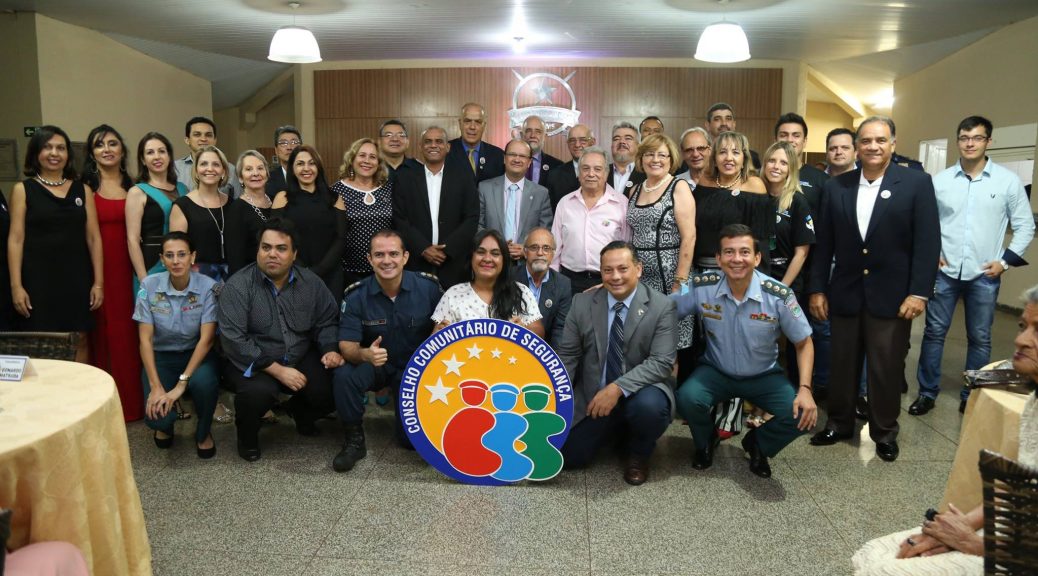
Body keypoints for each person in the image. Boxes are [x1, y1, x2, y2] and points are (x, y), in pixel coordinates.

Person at [851, 283, 1038, 575]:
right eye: (1023, 326)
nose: (1021, 340)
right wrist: (960, 527)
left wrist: (974, 544)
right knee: (875, 553)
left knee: (882, 571)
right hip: (1014, 532)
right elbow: (1023, 488)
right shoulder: (1033, 401)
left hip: (1022, 556)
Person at [808, 116, 941, 462]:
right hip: (846, 293)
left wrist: (919, 292)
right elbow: (824, 244)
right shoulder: (837, 187)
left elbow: (927, 243)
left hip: (894, 296)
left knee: (885, 367)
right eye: (866, 141)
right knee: (842, 364)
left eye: (881, 140)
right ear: (857, 146)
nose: (873, 146)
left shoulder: (916, 183)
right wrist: (817, 289)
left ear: (893, 144)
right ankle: (839, 423)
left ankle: (884, 431)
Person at [912, 116, 1035, 416]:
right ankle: (927, 393)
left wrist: (1004, 262)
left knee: (980, 337)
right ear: (958, 141)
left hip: (985, 274)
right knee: (934, 333)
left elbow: (1025, 226)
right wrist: (932, 254)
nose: (970, 143)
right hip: (945, 271)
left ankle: (973, 394)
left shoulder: (1007, 182)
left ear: (988, 141)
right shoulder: (940, 181)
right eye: (964, 137)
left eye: (977, 138)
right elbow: (925, 223)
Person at [673, 224, 817, 478]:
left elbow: (803, 342)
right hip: (716, 371)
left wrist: (805, 389)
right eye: (729, 252)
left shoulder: (779, 295)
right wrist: (623, 293)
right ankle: (706, 440)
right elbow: (665, 310)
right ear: (718, 258)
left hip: (763, 375)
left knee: (802, 413)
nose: (736, 259)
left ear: (757, 257)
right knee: (686, 398)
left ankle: (759, 444)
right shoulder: (702, 286)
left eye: (744, 252)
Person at [218, 218, 345, 462]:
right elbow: (234, 339)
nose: (272, 254)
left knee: (336, 384)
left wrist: (330, 349)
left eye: (281, 248)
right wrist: (277, 370)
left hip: (298, 354)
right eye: (266, 247)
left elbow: (327, 320)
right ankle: (247, 437)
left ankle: (300, 413)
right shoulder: (238, 286)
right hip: (254, 361)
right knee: (257, 393)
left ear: (294, 254)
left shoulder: (311, 283)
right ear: (258, 250)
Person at [555, 241, 676, 485]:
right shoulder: (582, 303)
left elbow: (662, 362)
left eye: (623, 268)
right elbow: (568, 355)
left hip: (642, 391)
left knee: (649, 409)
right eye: (608, 270)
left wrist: (617, 388)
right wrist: (557, 401)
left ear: (638, 269)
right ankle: (616, 432)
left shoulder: (662, 306)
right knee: (567, 456)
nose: (616, 276)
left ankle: (639, 453)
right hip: (594, 395)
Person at [331, 230, 442, 471]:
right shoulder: (356, 295)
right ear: (370, 259)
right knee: (345, 375)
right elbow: (347, 345)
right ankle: (354, 441)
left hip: (415, 372)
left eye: (393, 253)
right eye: (379, 255)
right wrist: (364, 354)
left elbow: (444, 329)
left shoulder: (429, 288)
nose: (387, 260)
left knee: (409, 443)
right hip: (377, 366)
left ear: (405, 257)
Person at [691, 130, 772, 438]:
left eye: (735, 152)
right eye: (723, 152)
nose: (728, 158)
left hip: (737, 275)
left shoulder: (755, 186)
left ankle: (729, 418)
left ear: (744, 157)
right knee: (706, 343)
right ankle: (707, 407)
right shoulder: (704, 183)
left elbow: (761, 239)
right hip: (703, 274)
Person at [8, 125, 103, 363]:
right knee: (41, 341)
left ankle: (80, 387)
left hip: (76, 277)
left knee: (79, 338)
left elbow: (93, 238)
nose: (54, 153)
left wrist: (98, 283)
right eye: (47, 147)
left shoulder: (83, 190)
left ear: (68, 154)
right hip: (37, 280)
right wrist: (16, 286)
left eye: (61, 148)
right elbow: (16, 239)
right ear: (36, 153)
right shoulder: (23, 190)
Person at [133, 232, 219, 458]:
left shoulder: (208, 287)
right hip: (162, 357)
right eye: (169, 255)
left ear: (192, 257)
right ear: (162, 259)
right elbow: (145, 339)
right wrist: (155, 386)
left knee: (205, 384)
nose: (176, 261)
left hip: (196, 356)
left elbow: (207, 339)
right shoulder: (149, 285)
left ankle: (203, 432)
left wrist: (182, 384)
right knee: (157, 417)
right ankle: (166, 426)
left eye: (182, 254)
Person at [82, 124, 143, 421]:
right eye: (99, 144)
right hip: (101, 272)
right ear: (91, 153)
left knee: (134, 335)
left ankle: (137, 404)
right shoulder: (84, 189)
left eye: (112, 143)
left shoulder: (137, 186)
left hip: (133, 270)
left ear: (122, 149)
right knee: (106, 336)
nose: (106, 149)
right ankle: (107, 408)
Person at [626, 133, 696, 376]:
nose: (655, 159)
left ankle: (668, 397)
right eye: (649, 154)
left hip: (672, 277)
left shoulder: (679, 187)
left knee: (670, 344)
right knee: (644, 340)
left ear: (671, 159)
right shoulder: (634, 190)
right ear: (641, 158)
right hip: (641, 279)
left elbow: (689, 237)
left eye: (662, 155)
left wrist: (680, 281)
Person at [392, 125, 479, 289]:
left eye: (439, 141)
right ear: (420, 146)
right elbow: (399, 218)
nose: (433, 145)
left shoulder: (464, 176)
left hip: (454, 263)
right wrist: (423, 248)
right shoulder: (404, 177)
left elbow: (472, 217)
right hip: (416, 261)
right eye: (428, 141)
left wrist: (447, 250)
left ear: (448, 147)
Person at [431, 229, 545, 337]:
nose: (487, 259)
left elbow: (539, 333)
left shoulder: (521, 292)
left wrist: (524, 330)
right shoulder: (453, 295)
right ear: (471, 257)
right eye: (481, 252)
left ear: (504, 260)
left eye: (495, 254)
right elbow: (435, 343)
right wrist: (438, 334)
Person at [550, 147, 631, 295]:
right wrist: (553, 281)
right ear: (578, 173)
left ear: (606, 174)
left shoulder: (621, 204)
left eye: (597, 169)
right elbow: (555, 247)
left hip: (609, 280)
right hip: (569, 281)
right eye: (585, 168)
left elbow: (627, 246)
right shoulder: (565, 203)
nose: (591, 174)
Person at [272, 145, 348, 298]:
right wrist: (303, 270)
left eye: (311, 163)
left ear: (318, 167)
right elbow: (278, 238)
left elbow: (341, 238)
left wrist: (320, 270)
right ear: (292, 169)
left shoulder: (334, 198)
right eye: (300, 164)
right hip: (293, 272)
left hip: (331, 273)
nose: (306, 168)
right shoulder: (282, 198)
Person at [126, 132, 189, 287]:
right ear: (143, 159)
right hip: (152, 267)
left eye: (162, 151)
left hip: (182, 265)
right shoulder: (137, 192)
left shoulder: (183, 189)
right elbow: (132, 240)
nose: (157, 157)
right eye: (150, 152)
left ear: (169, 155)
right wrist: (143, 278)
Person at [332, 138, 394, 286]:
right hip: (349, 272)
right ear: (352, 159)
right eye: (362, 155)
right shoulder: (336, 191)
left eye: (372, 157)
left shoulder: (389, 188)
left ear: (378, 163)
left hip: (386, 268)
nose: (367, 161)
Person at [478, 139, 553, 261]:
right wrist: (497, 247)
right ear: (504, 158)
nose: (517, 159)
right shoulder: (485, 188)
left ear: (529, 162)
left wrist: (527, 250)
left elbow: (545, 232)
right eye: (512, 154)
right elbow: (478, 226)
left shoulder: (541, 193)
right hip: (491, 260)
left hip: (525, 263)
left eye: (522, 156)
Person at [170, 145, 233, 282]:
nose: (209, 169)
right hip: (196, 279)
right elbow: (176, 251)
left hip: (232, 277)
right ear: (196, 171)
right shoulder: (182, 205)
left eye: (216, 164)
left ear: (223, 171)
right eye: (204, 164)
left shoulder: (233, 204)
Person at [762, 141, 815, 292]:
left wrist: (781, 288)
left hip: (786, 285)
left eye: (783, 163)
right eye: (772, 160)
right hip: (757, 281)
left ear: (790, 169)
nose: (776, 166)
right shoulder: (757, 196)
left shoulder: (798, 202)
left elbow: (802, 253)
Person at [513, 227, 572, 348]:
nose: (540, 253)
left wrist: (552, 358)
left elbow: (560, 329)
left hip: (546, 349)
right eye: (534, 247)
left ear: (553, 254)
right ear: (525, 252)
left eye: (546, 248)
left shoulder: (563, 284)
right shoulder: (509, 278)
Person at [226, 150, 274, 275]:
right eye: (248, 169)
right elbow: (235, 258)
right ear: (240, 177)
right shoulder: (237, 209)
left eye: (260, 168)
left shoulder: (275, 201)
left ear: (267, 173)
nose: (255, 173)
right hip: (252, 277)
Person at [774, 112, 829, 215]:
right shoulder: (764, 177)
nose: (789, 140)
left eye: (796, 135)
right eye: (783, 135)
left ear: (804, 141)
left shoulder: (821, 180)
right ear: (775, 140)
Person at [174, 116, 241, 198]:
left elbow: (239, 201)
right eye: (197, 135)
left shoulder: (230, 169)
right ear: (187, 140)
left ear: (215, 140)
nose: (203, 139)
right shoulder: (175, 168)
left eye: (208, 135)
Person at [447, 102, 505, 183]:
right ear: (460, 124)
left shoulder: (498, 155)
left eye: (478, 122)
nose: (472, 127)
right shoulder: (445, 151)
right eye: (467, 121)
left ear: (484, 126)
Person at [546, 124, 595, 209]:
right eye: (572, 140)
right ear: (568, 144)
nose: (577, 145)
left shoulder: (604, 173)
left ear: (592, 142)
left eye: (582, 140)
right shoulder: (555, 175)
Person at [704, 102, 760, 170]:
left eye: (728, 119)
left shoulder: (752, 157)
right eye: (717, 119)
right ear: (707, 125)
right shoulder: (700, 156)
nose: (724, 123)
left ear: (734, 124)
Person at [522, 115, 563, 185]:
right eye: (528, 131)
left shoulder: (557, 166)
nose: (533, 135)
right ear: (523, 135)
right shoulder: (510, 163)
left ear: (545, 137)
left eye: (538, 131)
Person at [608, 122, 646, 195]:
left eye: (628, 138)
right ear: (611, 145)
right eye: (616, 139)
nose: (622, 142)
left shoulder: (647, 174)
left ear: (638, 146)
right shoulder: (601, 172)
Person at [265, 125, 301, 199]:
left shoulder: (311, 175)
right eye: (283, 143)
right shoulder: (267, 180)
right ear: (276, 150)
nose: (289, 147)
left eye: (294, 142)